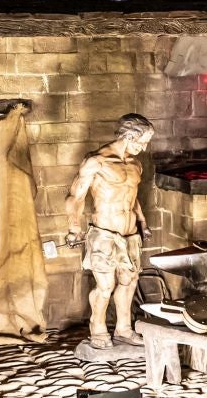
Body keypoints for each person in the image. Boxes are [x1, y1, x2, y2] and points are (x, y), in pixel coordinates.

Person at [64, 113, 155, 348]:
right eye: (142, 142)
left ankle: (124, 329)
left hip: (130, 234)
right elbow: (76, 196)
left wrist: (142, 223)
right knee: (105, 286)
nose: (144, 148)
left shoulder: (135, 164)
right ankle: (98, 328)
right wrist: (73, 228)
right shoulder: (96, 161)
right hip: (104, 234)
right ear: (129, 136)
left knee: (129, 281)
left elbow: (133, 197)